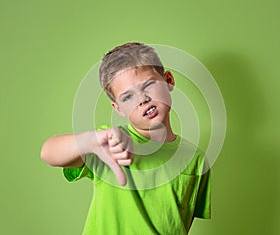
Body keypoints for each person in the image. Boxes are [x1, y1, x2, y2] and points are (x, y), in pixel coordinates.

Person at [41, 42, 211, 235]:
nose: (142, 99)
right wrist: (89, 140)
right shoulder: (108, 144)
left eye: (148, 85)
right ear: (118, 108)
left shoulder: (195, 158)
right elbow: (48, 152)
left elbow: (181, 223)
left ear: (169, 80)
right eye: (128, 97)